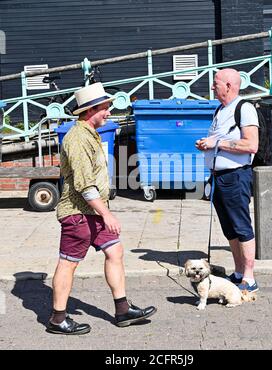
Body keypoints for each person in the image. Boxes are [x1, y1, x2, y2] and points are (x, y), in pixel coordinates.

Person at [47, 82, 157, 335]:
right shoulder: (76, 139)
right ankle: (57, 319)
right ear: (89, 111)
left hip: (94, 211)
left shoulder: (91, 134)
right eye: (104, 108)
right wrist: (107, 213)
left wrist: (102, 211)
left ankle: (122, 310)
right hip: (77, 212)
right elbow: (84, 184)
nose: (108, 112)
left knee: (115, 251)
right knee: (68, 263)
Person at [195, 68, 259, 293]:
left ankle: (249, 278)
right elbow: (219, 139)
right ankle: (239, 271)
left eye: (216, 83)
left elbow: (251, 145)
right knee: (229, 228)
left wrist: (217, 144)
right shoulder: (220, 110)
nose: (213, 87)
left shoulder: (245, 108)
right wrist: (206, 143)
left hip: (235, 176)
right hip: (218, 177)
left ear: (229, 86)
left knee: (241, 226)